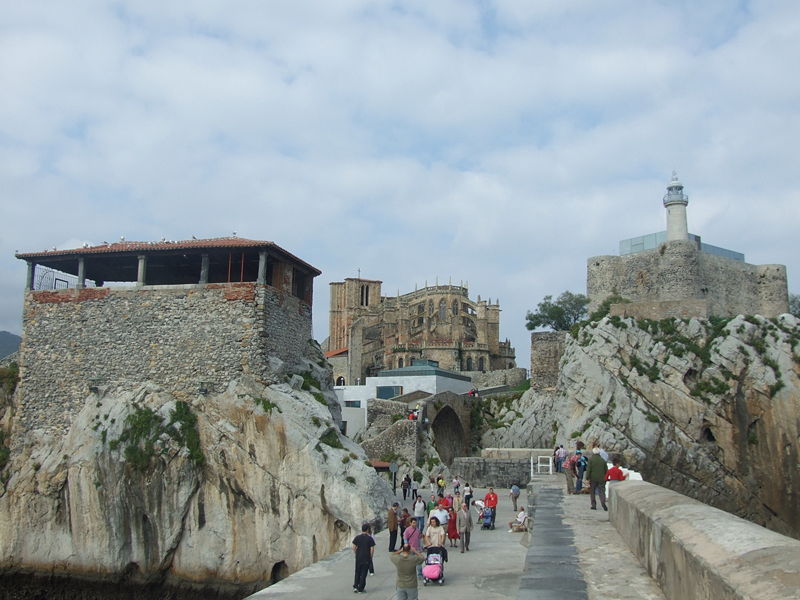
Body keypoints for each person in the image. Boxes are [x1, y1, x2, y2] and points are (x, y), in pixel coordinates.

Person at [352, 523, 375, 593]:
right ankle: (360, 588)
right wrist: (370, 557)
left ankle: (355, 586)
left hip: (358, 558)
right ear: (368, 530)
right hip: (366, 558)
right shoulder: (370, 538)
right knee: (363, 573)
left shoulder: (357, 537)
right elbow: (372, 549)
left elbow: (353, 547)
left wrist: (357, 553)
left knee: (357, 572)